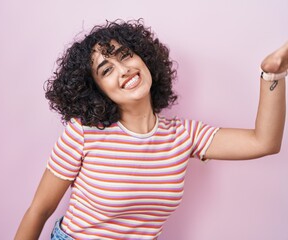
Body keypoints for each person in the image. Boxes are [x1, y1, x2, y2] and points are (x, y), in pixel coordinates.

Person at [15, 19, 287, 240]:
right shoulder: (84, 133)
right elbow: (39, 210)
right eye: (107, 70)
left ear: (144, 59)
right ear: (96, 90)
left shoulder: (183, 135)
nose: (124, 70)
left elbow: (264, 142)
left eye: (125, 56)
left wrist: (273, 74)